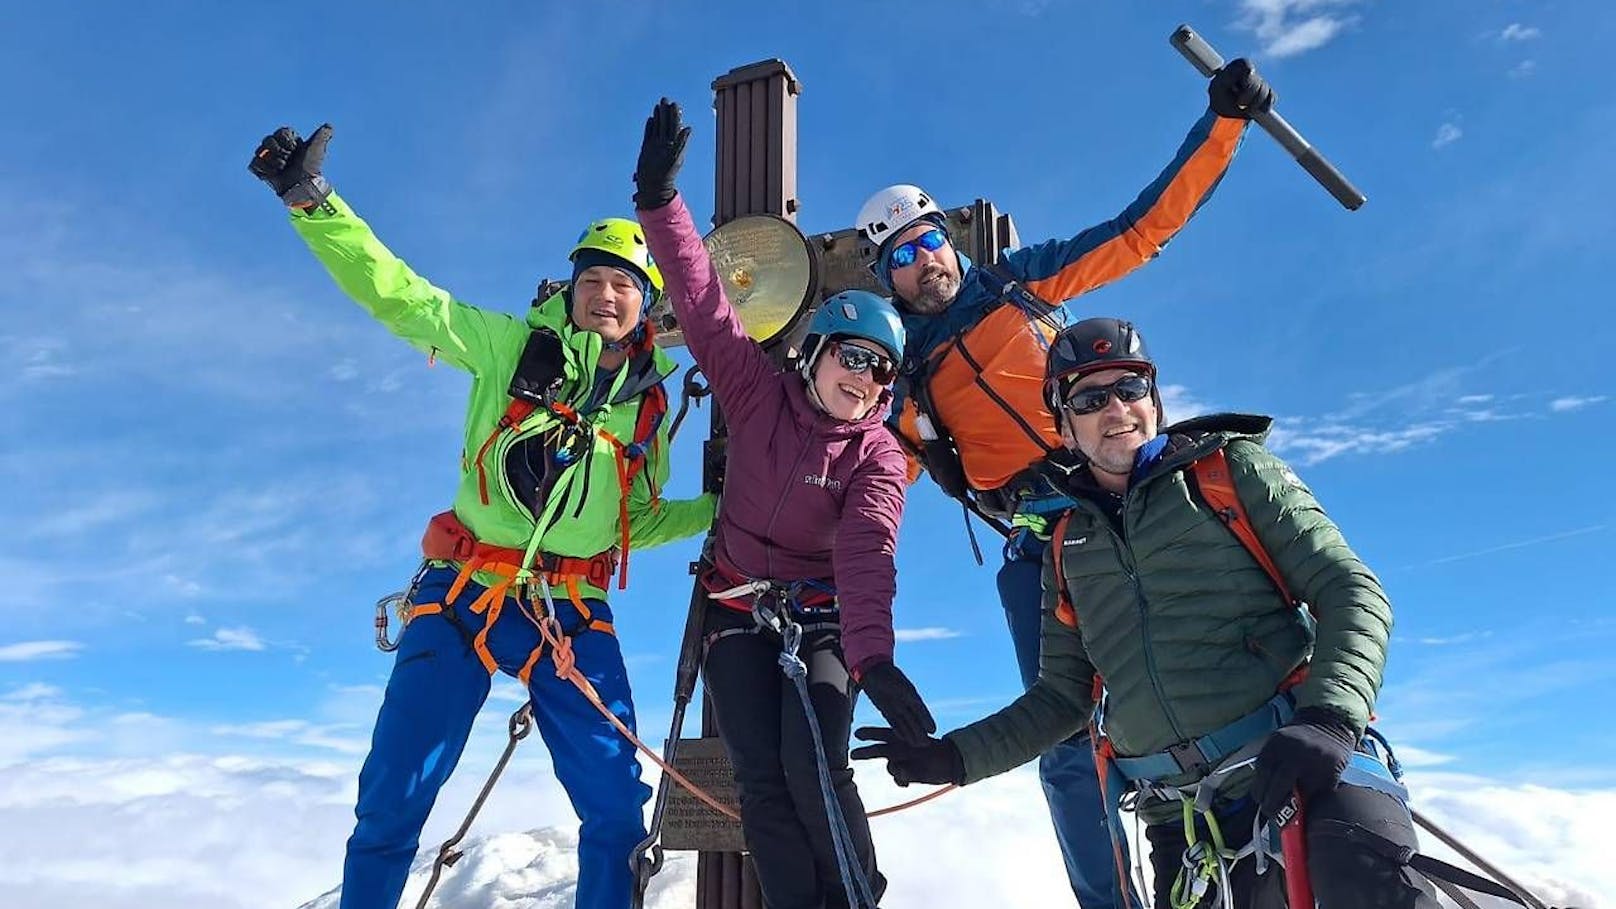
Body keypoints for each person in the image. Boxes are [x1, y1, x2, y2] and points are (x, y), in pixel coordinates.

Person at [248, 123, 716, 909]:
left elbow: (634, 518)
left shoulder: (646, 407)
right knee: (394, 790)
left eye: (625, 283)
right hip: (461, 592)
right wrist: (311, 200)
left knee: (614, 801)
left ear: (648, 303)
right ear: (570, 288)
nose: (607, 294)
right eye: (594, 278)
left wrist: (721, 509)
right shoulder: (507, 346)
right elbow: (403, 297)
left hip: (568, 608)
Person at [851, 59, 1277, 908]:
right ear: (884, 275)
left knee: (1215, 680)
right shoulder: (903, 378)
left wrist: (1221, 124)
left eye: (929, 237)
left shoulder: (1022, 280)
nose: (923, 259)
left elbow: (1137, 231)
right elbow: (869, 482)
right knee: (1068, 740)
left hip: (1131, 500)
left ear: (951, 237)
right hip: (1039, 544)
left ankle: (1273, 853)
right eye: (901, 254)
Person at [854, 317, 1439, 909]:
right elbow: (1062, 698)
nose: (1117, 409)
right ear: (1062, 423)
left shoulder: (1227, 473)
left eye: (1131, 388)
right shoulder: (1065, 544)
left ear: (1154, 400)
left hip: (1297, 766)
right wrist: (953, 756)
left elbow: (1349, 587)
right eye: (1090, 397)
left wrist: (1331, 718)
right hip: (1180, 819)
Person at [633, 99, 930, 908]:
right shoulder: (756, 394)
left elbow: (869, 551)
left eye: (881, 370)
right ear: (819, 352)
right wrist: (660, 204)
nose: (864, 377)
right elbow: (701, 302)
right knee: (760, 780)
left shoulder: (875, 452)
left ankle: (857, 898)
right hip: (734, 611)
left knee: (818, 766)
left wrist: (872, 658)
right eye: (854, 356)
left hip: (824, 616)